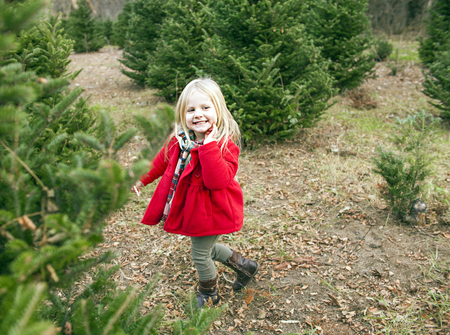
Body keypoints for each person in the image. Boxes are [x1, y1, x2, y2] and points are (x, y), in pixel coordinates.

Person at [133, 78, 260, 308]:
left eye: (205, 108)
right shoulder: (179, 141)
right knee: (207, 249)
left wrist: (208, 148)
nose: (198, 114)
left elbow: (217, 181)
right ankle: (246, 267)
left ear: (218, 110)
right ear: (183, 115)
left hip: (213, 209)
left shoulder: (223, 145)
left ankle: (208, 294)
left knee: (200, 254)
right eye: (191, 110)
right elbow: (160, 162)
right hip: (193, 208)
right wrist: (141, 179)